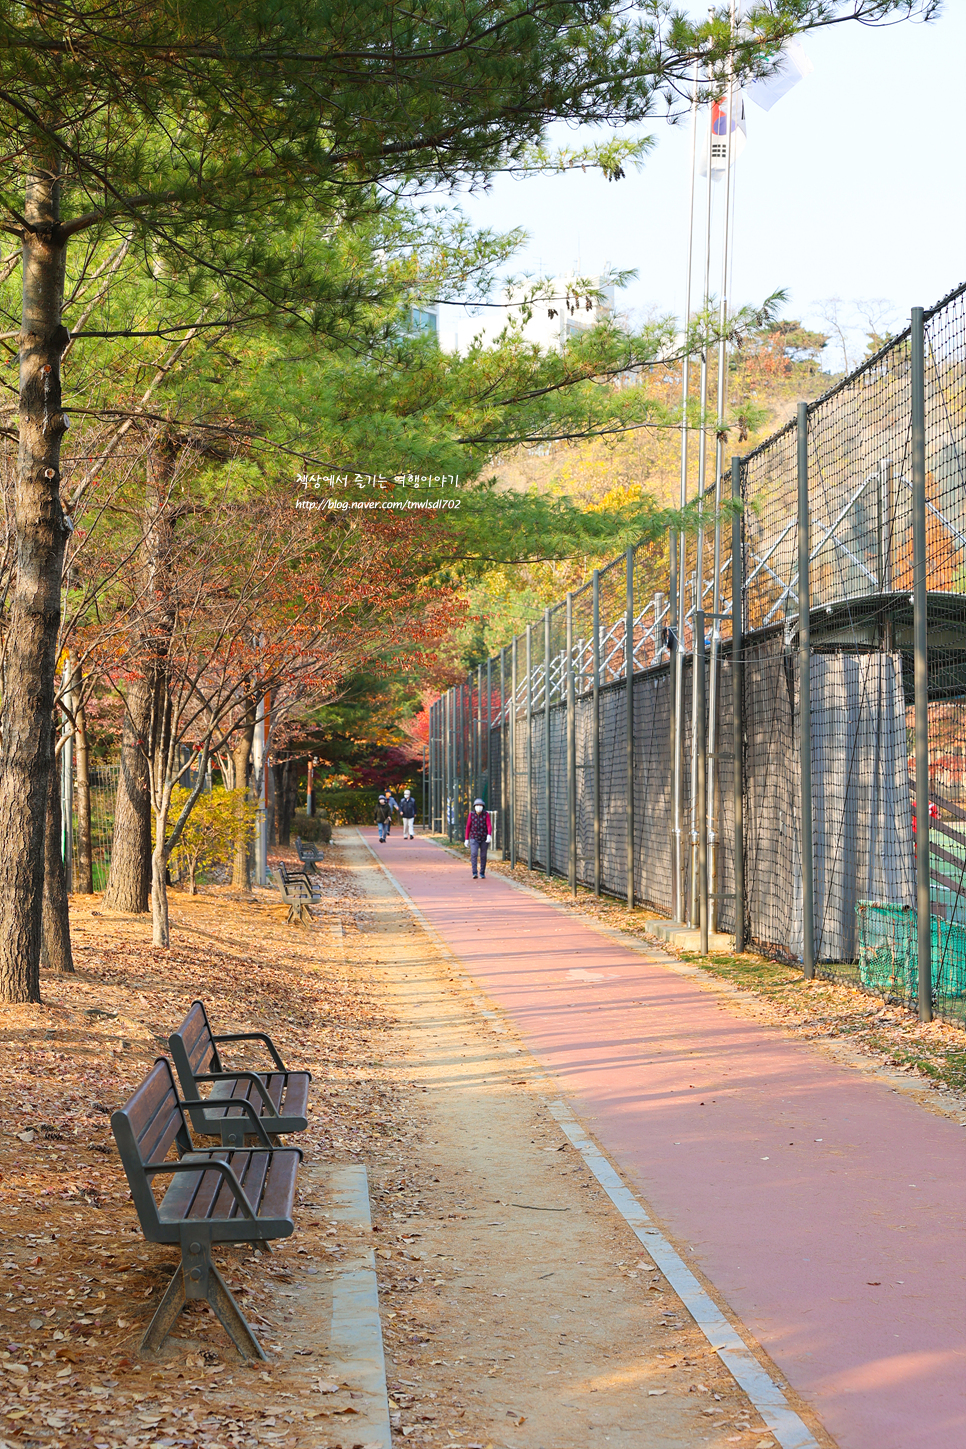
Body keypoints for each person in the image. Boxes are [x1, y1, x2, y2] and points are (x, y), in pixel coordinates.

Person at [464, 798, 491, 879]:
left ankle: (482, 872)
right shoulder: (471, 815)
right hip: (474, 838)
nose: (479, 807)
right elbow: (468, 827)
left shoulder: (486, 814)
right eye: (477, 805)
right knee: (474, 854)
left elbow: (489, 825)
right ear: (474, 807)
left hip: (483, 837)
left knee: (483, 855)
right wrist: (466, 839)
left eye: (480, 805)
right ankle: (474, 872)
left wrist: (489, 835)